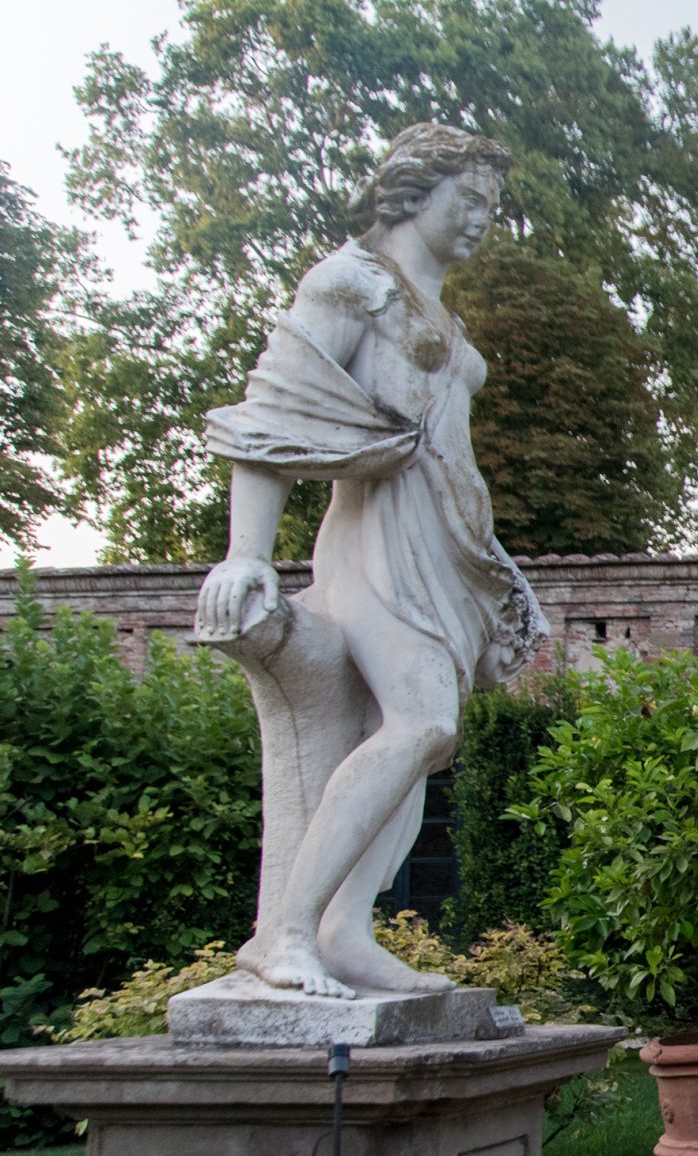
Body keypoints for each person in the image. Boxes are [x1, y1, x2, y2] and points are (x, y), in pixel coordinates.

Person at [193, 122, 546, 999]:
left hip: (442, 543)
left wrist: (499, 570)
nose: (479, 222)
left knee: (423, 741)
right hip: (375, 537)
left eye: (490, 209)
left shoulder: (436, 310)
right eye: (468, 202)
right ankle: (283, 931)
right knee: (423, 722)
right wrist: (248, 554)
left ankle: (344, 931)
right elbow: (274, 415)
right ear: (413, 191)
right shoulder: (350, 283)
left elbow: (449, 447)